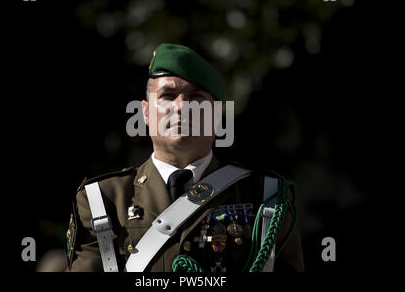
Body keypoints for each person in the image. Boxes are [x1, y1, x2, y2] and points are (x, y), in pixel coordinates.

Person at [65, 43, 304, 272]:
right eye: (168, 95)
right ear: (145, 113)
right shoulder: (103, 200)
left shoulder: (266, 197)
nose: (181, 107)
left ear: (218, 116)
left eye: (196, 98)